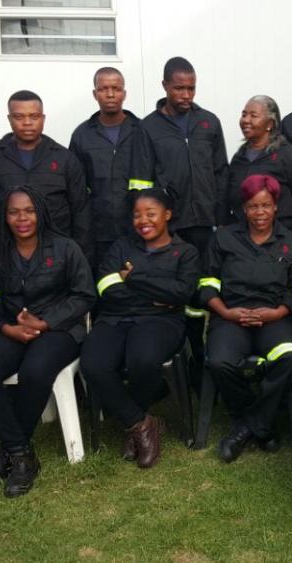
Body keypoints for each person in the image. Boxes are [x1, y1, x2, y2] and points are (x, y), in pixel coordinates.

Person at [0, 187, 96, 498]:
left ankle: (10, 455)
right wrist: (6, 327)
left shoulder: (65, 248)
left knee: (35, 371)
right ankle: (21, 453)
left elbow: (84, 296)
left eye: (29, 210)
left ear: (40, 213)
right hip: (11, 330)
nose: (22, 218)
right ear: (4, 215)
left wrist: (46, 322)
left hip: (60, 331)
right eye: (14, 212)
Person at [81, 189, 200, 469]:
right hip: (114, 318)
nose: (143, 220)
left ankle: (133, 424)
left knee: (142, 358)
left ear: (167, 215)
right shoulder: (121, 246)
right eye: (137, 214)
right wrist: (155, 295)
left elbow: (182, 292)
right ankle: (141, 423)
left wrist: (133, 277)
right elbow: (106, 288)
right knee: (93, 364)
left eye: (151, 213)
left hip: (161, 322)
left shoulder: (186, 252)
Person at [198, 175, 292, 462]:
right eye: (253, 206)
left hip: (274, 318)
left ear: (275, 208)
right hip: (231, 317)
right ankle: (260, 423)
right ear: (244, 209)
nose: (260, 212)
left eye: (266, 206)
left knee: (291, 355)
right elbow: (207, 283)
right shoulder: (223, 238)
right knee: (219, 361)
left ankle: (246, 427)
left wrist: (279, 312)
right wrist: (224, 311)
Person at [0, 90, 93, 256]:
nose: (27, 123)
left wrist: (78, 253)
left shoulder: (65, 159)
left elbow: (80, 210)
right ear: (9, 119)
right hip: (9, 254)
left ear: (42, 118)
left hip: (58, 252)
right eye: (19, 117)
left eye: (34, 116)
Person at [140, 56, 228, 257]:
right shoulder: (148, 127)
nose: (186, 95)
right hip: (170, 225)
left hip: (207, 223)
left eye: (192, 88)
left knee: (207, 280)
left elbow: (221, 173)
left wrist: (221, 219)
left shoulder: (209, 122)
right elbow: (142, 182)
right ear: (165, 86)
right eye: (179, 88)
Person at [69, 67, 152, 269]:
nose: (110, 94)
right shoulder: (82, 135)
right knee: (103, 284)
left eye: (116, 88)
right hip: (96, 232)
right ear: (95, 94)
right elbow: (75, 186)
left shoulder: (142, 130)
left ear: (124, 93)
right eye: (103, 88)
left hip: (138, 229)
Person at [222, 95, 292, 233]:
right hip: (243, 240)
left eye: (254, 116)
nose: (246, 120)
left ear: (270, 124)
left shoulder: (289, 156)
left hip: (281, 239)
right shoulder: (238, 158)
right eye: (244, 114)